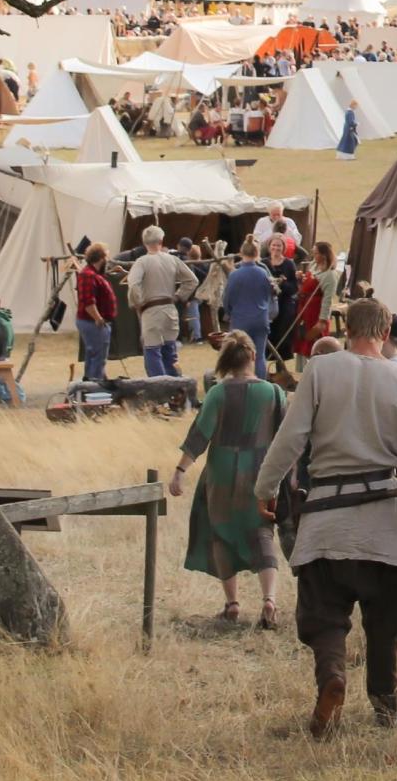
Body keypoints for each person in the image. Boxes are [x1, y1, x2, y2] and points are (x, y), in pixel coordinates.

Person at [251, 297, 397, 739]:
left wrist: (265, 489)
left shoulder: (321, 371)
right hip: (388, 523)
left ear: (348, 331)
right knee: (384, 624)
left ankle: (332, 678)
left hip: (327, 518)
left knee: (323, 617)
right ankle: (386, 705)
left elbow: (289, 440)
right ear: (384, 334)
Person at [169, 339, 288, 629]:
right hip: (260, 471)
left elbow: (200, 434)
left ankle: (232, 604)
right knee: (262, 532)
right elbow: (287, 438)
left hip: (221, 470)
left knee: (221, 532)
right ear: (252, 355)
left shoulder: (218, 393)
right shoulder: (274, 392)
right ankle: (269, 600)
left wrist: (180, 471)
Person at [127, 226, 197, 379]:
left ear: (144, 242)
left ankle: (161, 392)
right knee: (169, 354)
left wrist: (138, 303)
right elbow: (192, 280)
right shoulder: (172, 259)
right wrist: (178, 296)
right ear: (161, 241)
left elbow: (133, 285)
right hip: (170, 310)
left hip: (151, 311)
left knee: (153, 353)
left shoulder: (142, 262)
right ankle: (176, 391)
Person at [220, 239, 275, 378]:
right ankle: (261, 384)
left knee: (237, 354)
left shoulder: (234, 275)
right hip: (260, 318)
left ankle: (239, 382)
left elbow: (227, 299)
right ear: (257, 253)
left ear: (241, 253)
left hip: (240, 320)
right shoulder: (263, 272)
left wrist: (229, 312)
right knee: (260, 356)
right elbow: (269, 295)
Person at [74, 245, 118, 382]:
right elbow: (88, 301)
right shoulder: (87, 275)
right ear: (100, 258)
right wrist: (98, 318)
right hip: (92, 321)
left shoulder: (95, 274)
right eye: (106, 257)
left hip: (94, 321)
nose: (107, 260)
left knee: (93, 355)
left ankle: (92, 384)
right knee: (98, 358)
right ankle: (95, 388)